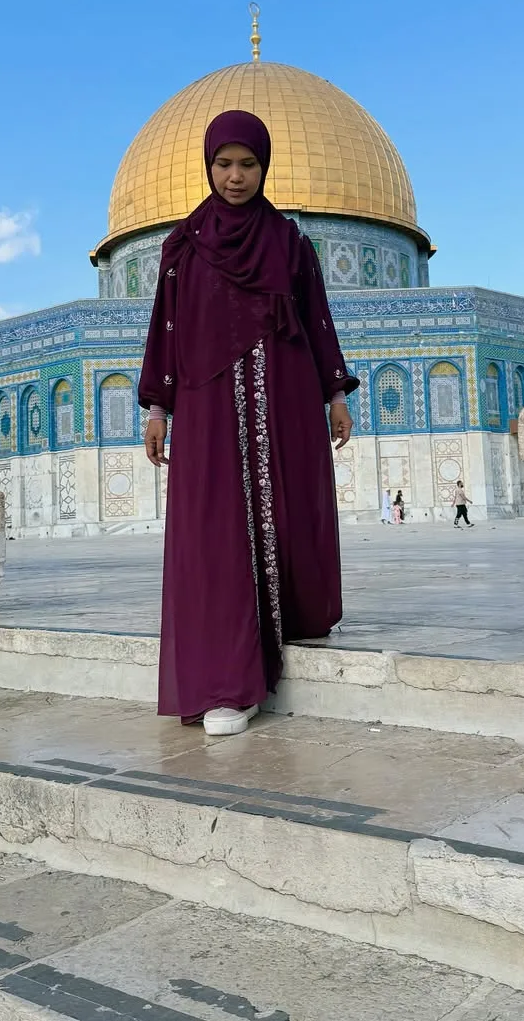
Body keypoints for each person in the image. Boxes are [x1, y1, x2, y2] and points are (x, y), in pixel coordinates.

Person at [140, 110, 358, 737]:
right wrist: (158, 409)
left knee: (287, 508)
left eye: (248, 164)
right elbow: (167, 331)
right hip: (209, 408)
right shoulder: (183, 248)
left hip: (283, 401)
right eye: (224, 164)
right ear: (208, 166)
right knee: (217, 530)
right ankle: (230, 678)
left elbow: (316, 320)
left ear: (264, 167)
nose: (235, 176)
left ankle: (290, 617)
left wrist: (335, 395)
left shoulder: (289, 244)